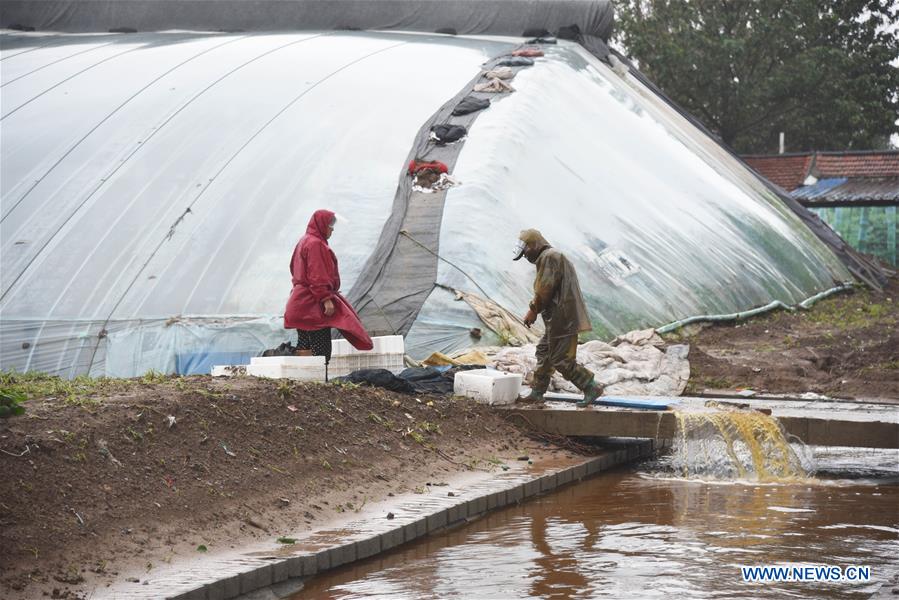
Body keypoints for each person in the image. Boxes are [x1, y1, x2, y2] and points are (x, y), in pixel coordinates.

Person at [513, 228, 603, 408]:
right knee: (544, 351)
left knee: (562, 360)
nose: (525, 257)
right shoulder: (549, 257)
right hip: (556, 319)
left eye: (525, 252)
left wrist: (533, 310)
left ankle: (590, 386)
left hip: (564, 319)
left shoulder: (550, 257)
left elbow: (544, 289)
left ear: (533, 245)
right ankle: (537, 392)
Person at [284, 210, 373, 366]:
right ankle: (319, 379)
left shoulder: (303, 241)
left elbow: (294, 269)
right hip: (313, 303)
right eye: (330, 224)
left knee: (304, 343)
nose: (332, 229)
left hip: (300, 301)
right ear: (321, 225)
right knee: (321, 347)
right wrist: (326, 298)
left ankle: (305, 379)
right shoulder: (315, 244)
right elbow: (317, 274)